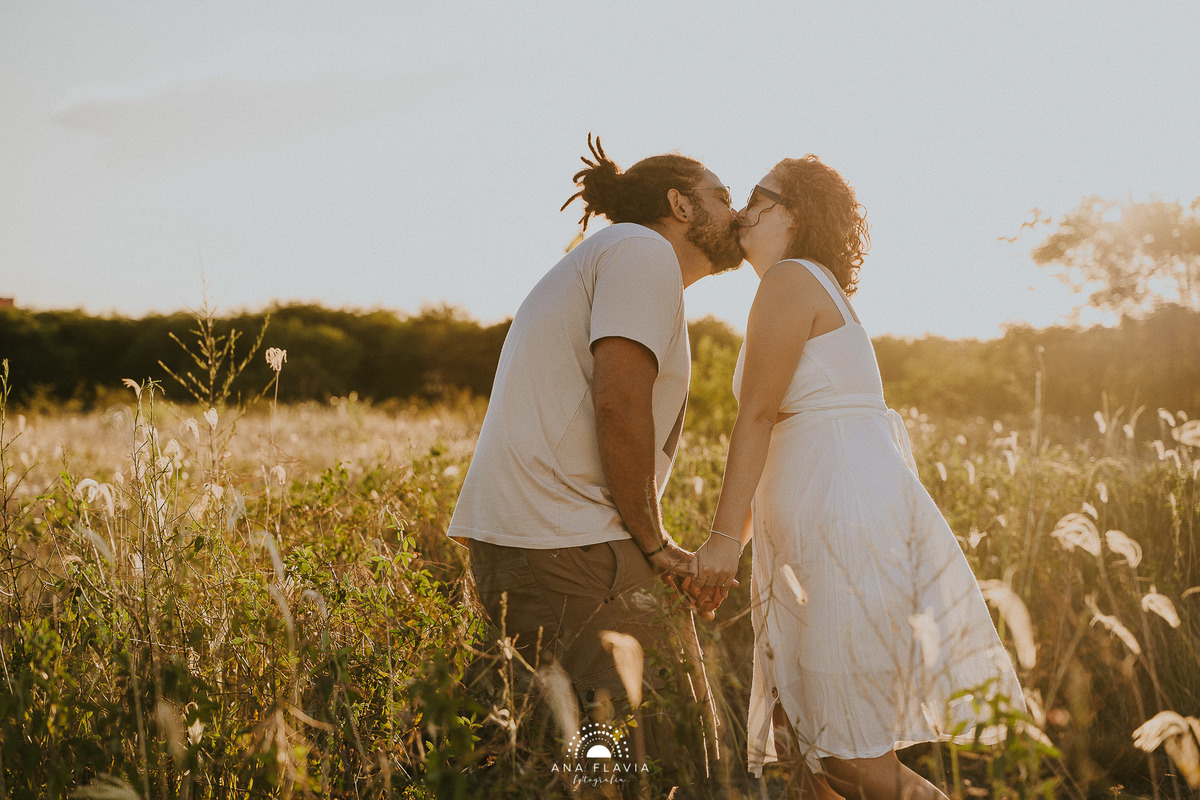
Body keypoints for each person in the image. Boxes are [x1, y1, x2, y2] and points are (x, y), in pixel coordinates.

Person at [687, 156, 1026, 799]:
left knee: (846, 754)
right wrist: (735, 547)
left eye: (758, 194)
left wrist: (723, 544)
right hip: (819, 529)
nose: (742, 208)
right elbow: (786, 441)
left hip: (840, 531)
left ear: (794, 214)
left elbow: (757, 417)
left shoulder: (790, 280)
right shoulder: (800, 287)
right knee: (808, 750)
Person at [447, 135, 743, 794]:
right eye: (722, 196)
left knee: (529, 749)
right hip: (569, 544)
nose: (737, 210)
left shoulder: (617, 257)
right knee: (637, 752)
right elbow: (619, 404)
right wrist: (655, 543)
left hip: (549, 539)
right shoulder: (642, 251)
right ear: (680, 205)